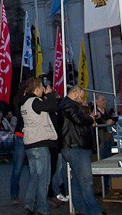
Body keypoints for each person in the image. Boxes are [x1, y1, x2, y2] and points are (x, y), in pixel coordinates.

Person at [58, 86, 104, 215]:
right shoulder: (68, 105)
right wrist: (90, 118)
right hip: (75, 146)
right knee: (85, 179)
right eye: (81, 96)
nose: (82, 99)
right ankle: (94, 209)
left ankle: (81, 207)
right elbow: (78, 120)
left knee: (78, 180)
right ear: (75, 93)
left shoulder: (68, 104)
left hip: (75, 146)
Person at [20, 77, 59, 215]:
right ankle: (42, 208)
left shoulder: (24, 103)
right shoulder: (35, 101)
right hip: (39, 143)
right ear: (37, 89)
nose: (43, 89)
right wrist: (50, 94)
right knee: (44, 178)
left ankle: (29, 204)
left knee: (34, 176)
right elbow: (52, 107)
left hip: (30, 144)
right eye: (42, 87)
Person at [9, 91, 29, 206]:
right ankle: (14, 194)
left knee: (33, 169)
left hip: (30, 136)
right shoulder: (19, 100)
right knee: (17, 168)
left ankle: (33, 194)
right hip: (21, 135)